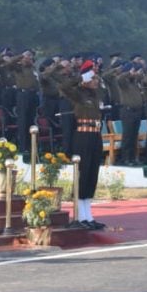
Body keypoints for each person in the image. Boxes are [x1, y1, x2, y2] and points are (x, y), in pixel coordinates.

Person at [59, 60, 106, 229]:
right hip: (82, 136)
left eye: (96, 78)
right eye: (93, 78)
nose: (96, 81)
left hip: (95, 136)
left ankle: (89, 217)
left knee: (92, 175)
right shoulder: (78, 93)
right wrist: (81, 77)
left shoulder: (95, 94)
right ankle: (79, 216)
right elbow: (64, 87)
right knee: (83, 174)